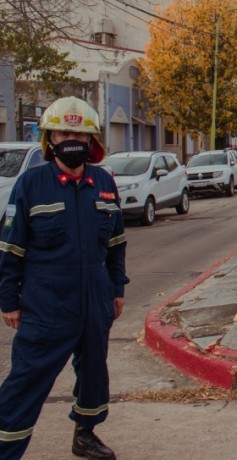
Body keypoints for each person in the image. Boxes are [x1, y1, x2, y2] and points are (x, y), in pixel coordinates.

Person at [0, 96, 128, 459]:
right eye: (63, 131)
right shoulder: (31, 185)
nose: (72, 137)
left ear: (92, 141)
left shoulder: (103, 182)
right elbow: (10, 249)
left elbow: (116, 244)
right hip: (46, 305)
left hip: (95, 301)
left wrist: (116, 289)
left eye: (80, 132)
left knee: (94, 377)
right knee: (25, 383)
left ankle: (84, 436)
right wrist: (8, 300)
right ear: (50, 138)